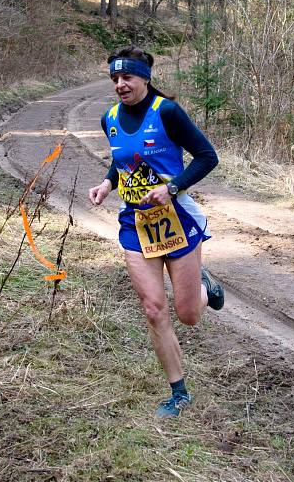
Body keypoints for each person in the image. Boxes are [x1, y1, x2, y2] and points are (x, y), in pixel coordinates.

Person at [88, 45, 224, 418]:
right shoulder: (110, 119)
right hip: (135, 225)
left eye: (127, 77)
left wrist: (173, 187)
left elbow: (207, 156)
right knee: (152, 309)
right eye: (115, 78)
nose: (120, 84)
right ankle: (179, 393)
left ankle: (203, 287)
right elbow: (124, 162)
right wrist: (106, 184)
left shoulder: (167, 112)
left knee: (188, 315)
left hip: (176, 219)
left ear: (145, 78)